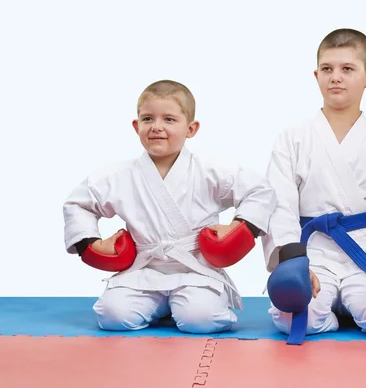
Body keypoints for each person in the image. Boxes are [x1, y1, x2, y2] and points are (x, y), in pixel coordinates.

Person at [63, 80, 276, 333]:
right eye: (148, 119)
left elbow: (260, 191)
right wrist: (90, 243)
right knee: (112, 316)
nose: (157, 127)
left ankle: (183, 305)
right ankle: (162, 305)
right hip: (142, 269)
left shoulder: (210, 170)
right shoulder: (119, 175)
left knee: (201, 319)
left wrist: (240, 227)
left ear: (191, 128)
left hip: (195, 270)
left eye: (169, 120)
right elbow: (79, 203)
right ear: (136, 125)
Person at [263, 29, 366, 345]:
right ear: (316, 74)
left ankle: (352, 305)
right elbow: (278, 205)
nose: (335, 77)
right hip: (312, 253)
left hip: (364, 251)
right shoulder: (293, 139)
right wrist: (293, 261)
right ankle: (330, 314)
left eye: (347, 69)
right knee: (291, 317)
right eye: (327, 69)